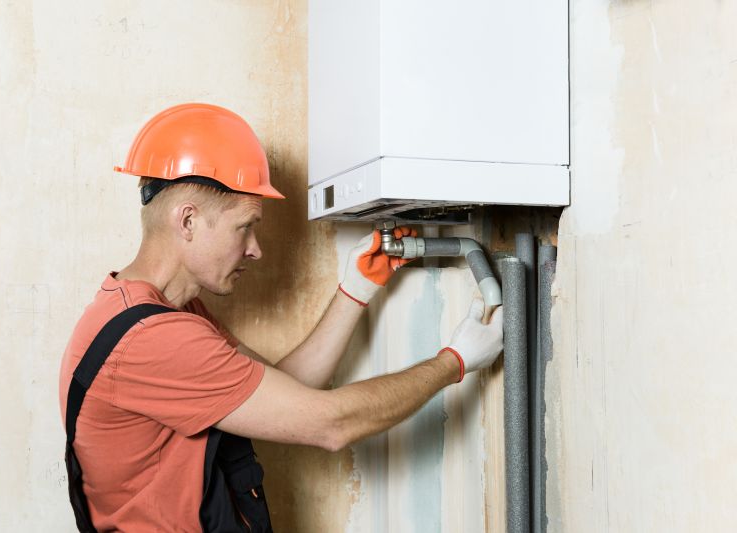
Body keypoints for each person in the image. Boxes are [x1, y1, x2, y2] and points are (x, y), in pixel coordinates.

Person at [59, 103, 503, 532]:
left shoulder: (150, 310)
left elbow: (284, 386)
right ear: (188, 221)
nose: (255, 248)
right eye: (245, 226)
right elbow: (330, 424)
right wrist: (454, 362)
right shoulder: (154, 340)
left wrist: (356, 290)